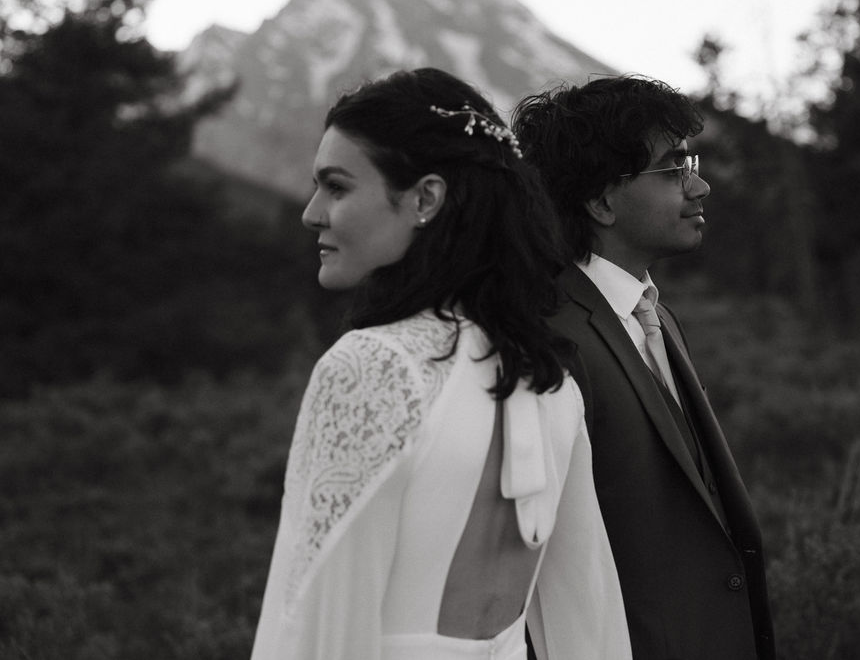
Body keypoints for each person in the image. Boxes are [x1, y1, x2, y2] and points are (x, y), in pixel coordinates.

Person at [249, 67, 631, 660]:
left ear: (425, 198)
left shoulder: (371, 367)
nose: (312, 213)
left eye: (337, 186)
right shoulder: (552, 381)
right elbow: (590, 616)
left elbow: (308, 629)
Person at [513, 76, 775, 660]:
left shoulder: (656, 315)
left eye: (692, 163)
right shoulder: (547, 338)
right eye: (673, 169)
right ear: (600, 201)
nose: (700, 185)